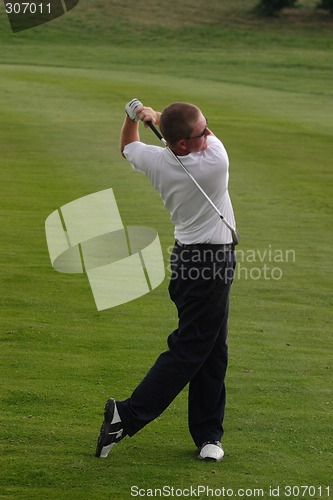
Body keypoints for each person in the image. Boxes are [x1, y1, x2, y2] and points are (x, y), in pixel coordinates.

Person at [96, 99, 237, 462]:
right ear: (184, 144)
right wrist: (155, 116)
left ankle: (208, 433)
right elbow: (172, 132)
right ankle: (125, 415)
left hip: (186, 260)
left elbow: (128, 147)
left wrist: (131, 117)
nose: (209, 133)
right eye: (201, 131)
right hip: (210, 265)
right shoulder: (215, 161)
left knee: (212, 349)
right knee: (191, 348)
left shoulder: (159, 160)